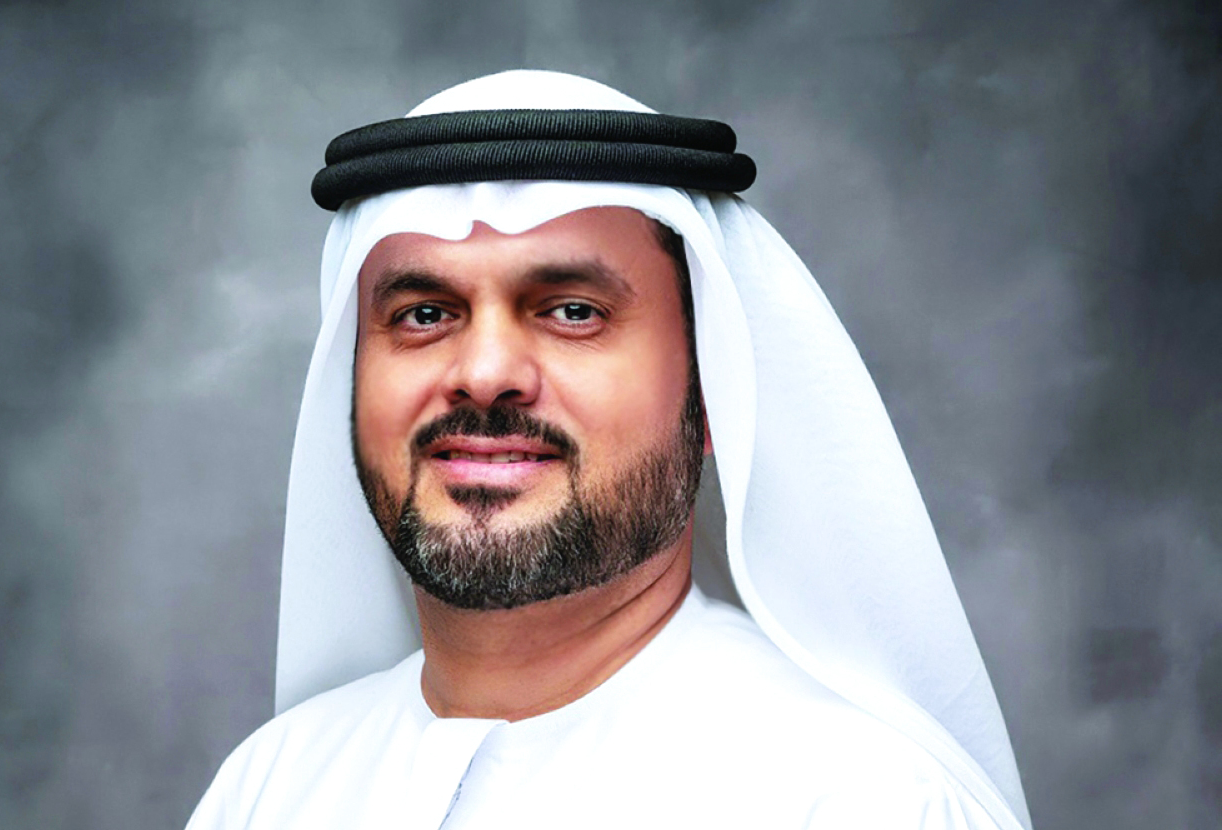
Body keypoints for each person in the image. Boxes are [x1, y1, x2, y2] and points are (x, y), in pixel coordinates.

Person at [185, 70, 1033, 829]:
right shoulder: (270, 789)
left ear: (710, 392)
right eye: (425, 315)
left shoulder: (864, 803)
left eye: (573, 311)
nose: (484, 374)